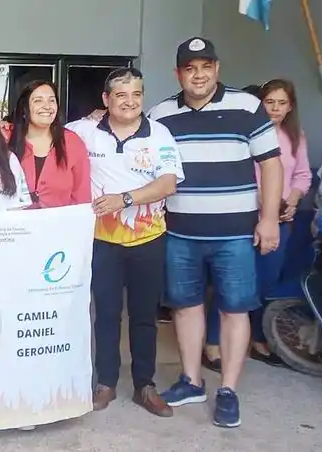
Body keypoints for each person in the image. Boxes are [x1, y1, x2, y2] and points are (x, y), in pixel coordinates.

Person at [148, 37, 283, 429]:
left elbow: (271, 166)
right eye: (190, 68)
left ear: (217, 69)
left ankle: (227, 389)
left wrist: (269, 217)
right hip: (179, 233)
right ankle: (191, 381)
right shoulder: (161, 115)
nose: (199, 75)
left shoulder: (246, 107)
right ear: (178, 74)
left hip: (235, 234)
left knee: (234, 308)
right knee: (185, 306)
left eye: (206, 66)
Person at [65, 67, 183, 417]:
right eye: (121, 95)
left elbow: (168, 184)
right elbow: (44, 139)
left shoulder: (159, 133)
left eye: (136, 95)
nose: (130, 102)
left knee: (145, 315)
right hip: (102, 240)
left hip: (148, 238)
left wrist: (125, 199)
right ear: (106, 100)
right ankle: (106, 383)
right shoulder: (84, 131)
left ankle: (145, 385)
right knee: (105, 315)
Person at [204, 79, 312, 371]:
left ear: (290, 107)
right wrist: (265, 204)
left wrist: (292, 200)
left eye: (282, 103)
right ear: (259, 103)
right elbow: (238, 176)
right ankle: (213, 342)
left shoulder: (295, 137)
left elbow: (302, 175)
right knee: (230, 284)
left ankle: (257, 338)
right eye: (270, 102)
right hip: (243, 219)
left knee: (266, 283)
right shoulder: (243, 133)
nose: (275, 109)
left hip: (281, 221)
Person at [5, 80, 91, 208]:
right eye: (38, 100)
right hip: (12, 226)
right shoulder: (5, 138)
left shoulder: (72, 142)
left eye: (52, 100)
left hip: (59, 225)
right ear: (24, 108)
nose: (47, 106)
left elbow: (82, 197)